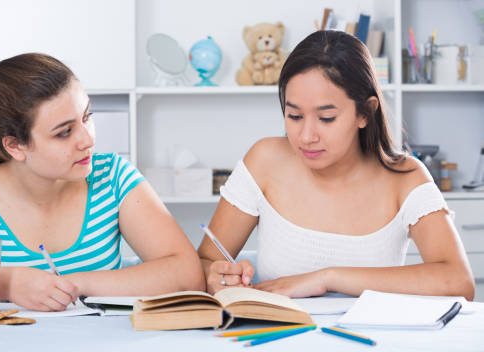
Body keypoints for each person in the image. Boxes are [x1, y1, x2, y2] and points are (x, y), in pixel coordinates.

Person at [0, 53, 205, 319]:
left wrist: (70, 285)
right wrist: (5, 283)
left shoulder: (114, 178)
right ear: (15, 147)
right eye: (64, 132)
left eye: (87, 117)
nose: (87, 139)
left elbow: (187, 274)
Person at [198, 30, 475, 300]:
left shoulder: (405, 177)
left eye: (326, 118)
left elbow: (458, 281)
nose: (306, 137)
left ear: (365, 113)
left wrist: (326, 278)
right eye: (294, 116)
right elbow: (206, 261)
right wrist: (217, 275)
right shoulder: (265, 160)